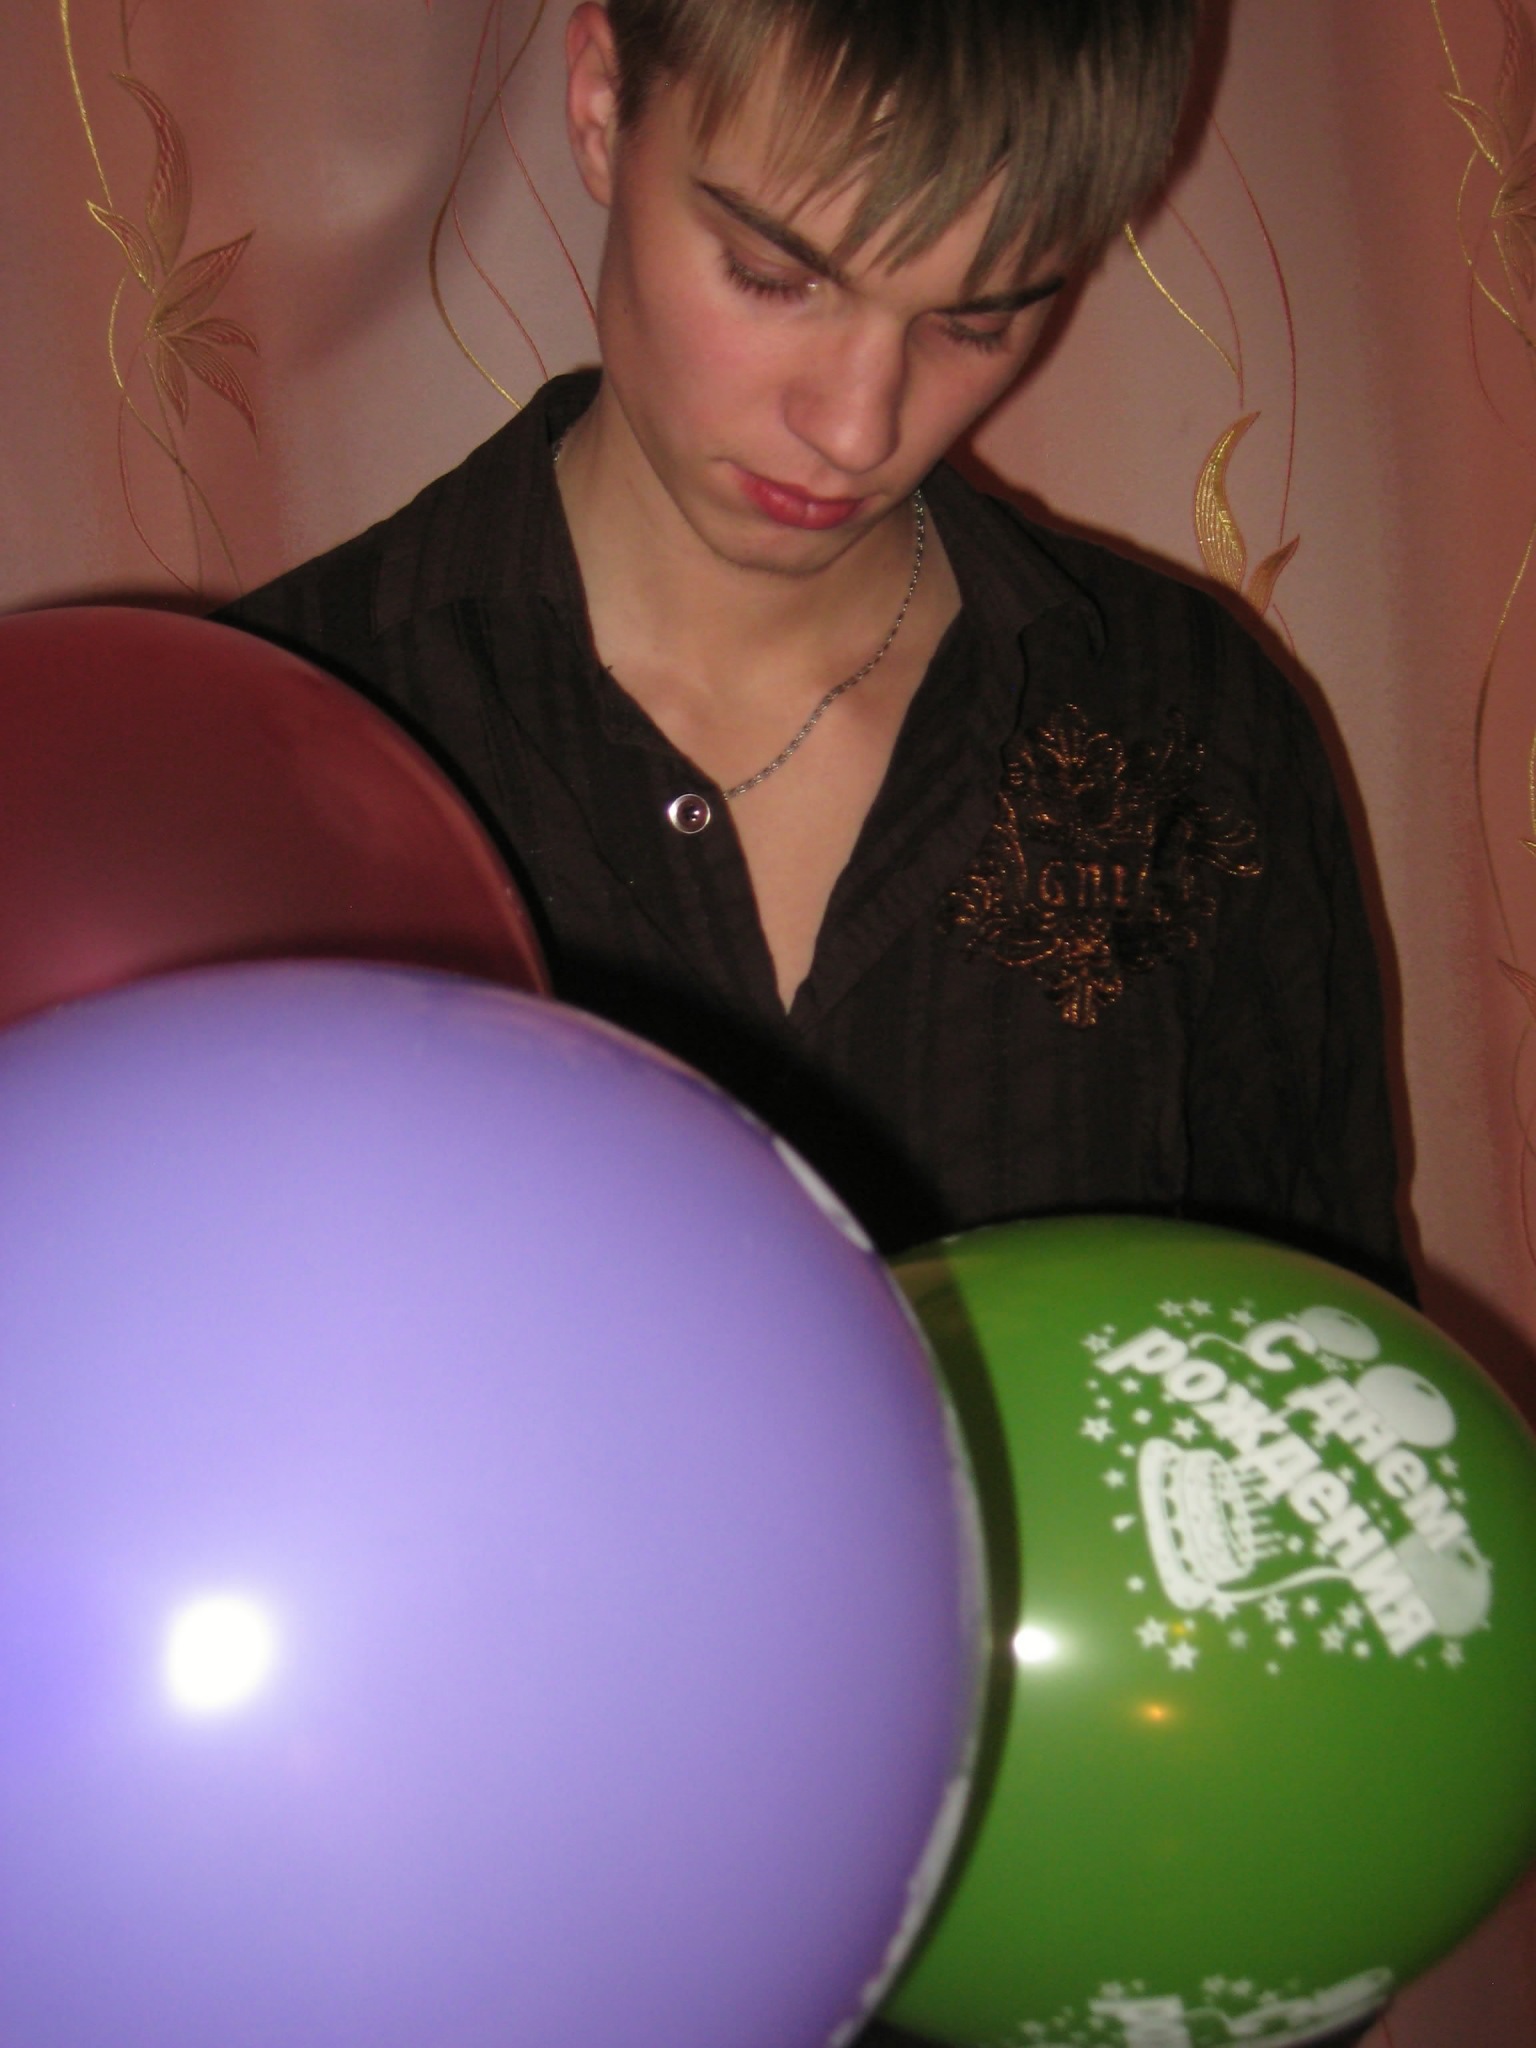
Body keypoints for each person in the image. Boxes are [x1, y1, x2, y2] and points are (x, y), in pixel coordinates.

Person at [220, 6, 1403, 2039]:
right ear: (604, 99)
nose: (857, 422)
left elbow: (1322, 1454)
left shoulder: (1192, 733)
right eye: (777, 272)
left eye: (983, 316)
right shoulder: (279, 756)